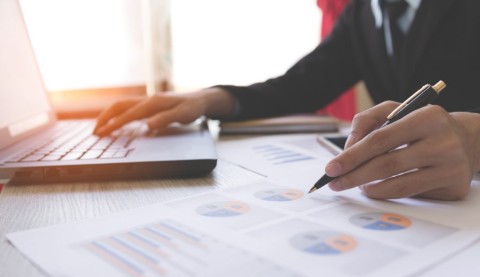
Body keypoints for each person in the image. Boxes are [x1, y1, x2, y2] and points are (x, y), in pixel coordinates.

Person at [94, 0, 480, 200]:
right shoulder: (362, 11)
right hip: (414, 209)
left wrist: (475, 141)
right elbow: (303, 83)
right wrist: (212, 98)